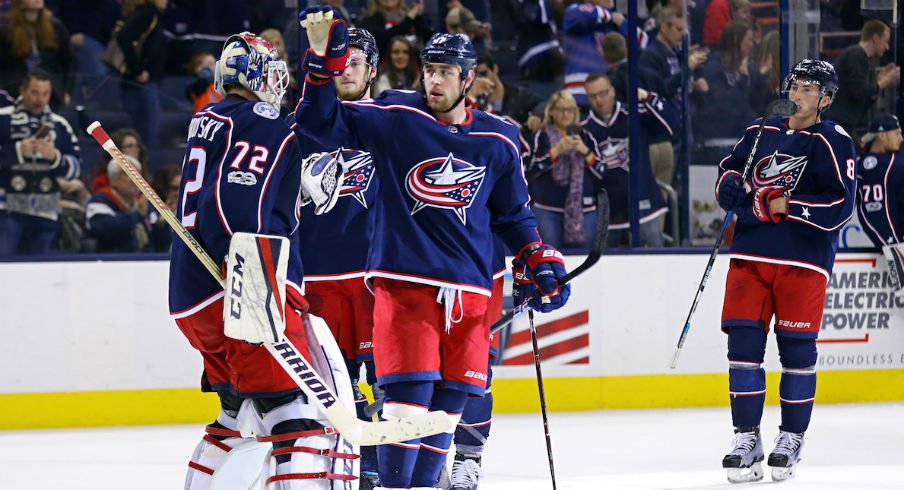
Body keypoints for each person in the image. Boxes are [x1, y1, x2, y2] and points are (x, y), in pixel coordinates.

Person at [295, 8, 572, 488]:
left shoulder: (499, 140)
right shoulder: (394, 116)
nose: (434, 80)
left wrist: (535, 256)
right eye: (428, 69)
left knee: (448, 409)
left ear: (468, 78)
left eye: (445, 71)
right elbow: (319, 123)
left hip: (469, 295)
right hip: (406, 287)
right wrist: (322, 63)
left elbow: (513, 216)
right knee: (407, 403)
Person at [172, 32, 354, 488]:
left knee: (233, 416)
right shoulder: (261, 118)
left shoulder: (209, 118)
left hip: (191, 293)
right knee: (292, 417)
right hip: (245, 286)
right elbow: (239, 204)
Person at [714, 59, 856, 483]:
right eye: (797, 85)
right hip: (750, 255)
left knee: (795, 351)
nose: (801, 93)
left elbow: (841, 207)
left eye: (811, 89)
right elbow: (729, 173)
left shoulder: (834, 139)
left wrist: (788, 206)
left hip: (802, 263)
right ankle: (746, 439)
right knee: (742, 350)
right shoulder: (761, 130)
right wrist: (739, 195)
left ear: (826, 99)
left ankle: (791, 437)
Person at [293, 26, 383, 490]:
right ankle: (349, 466)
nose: (346, 70)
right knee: (334, 388)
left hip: (376, 277)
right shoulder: (303, 123)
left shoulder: (394, 121)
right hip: (319, 277)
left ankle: (390, 464)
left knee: (391, 383)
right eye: (339, 62)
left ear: (372, 70)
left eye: (355, 62)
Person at [582, 73, 673, 247]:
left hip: (644, 205)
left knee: (655, 261)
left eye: (603, 93)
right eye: (593, 96)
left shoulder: (633, 114)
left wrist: (648, 97)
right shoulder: (585, 128)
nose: (599, 100)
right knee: (606, 269)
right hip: (608, 213)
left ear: (613, 91)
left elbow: (671, 125)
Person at [0, 69, 81, 256]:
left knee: (38, 275)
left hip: (45, 211)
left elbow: (75, 169)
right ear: (22, 90)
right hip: (6, 210)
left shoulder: (59, 124)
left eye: (46, 94)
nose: (40, 99)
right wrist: (18, 151)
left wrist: (54, 157)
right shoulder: (3, 118)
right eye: (35, 92)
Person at [527, 90, 600, 249]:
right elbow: (531, 169)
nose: (566, 114)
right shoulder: (542, 136)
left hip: (583, 210)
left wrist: (584, 150)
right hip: (548, 210)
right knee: (550, 256)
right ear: (551, 112)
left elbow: (602, 171)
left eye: (570, 109)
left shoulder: (586, 136)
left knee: (584, 258)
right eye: (561, 109)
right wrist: (556, 151)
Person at [824, 19, 900, 145]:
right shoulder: (857, 55)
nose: (887, 47)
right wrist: (884, 82)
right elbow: (859, 92)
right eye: (886, 41)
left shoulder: (861, 57)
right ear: (875, 38)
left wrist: (878, 82)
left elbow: (862, 97)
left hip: (844, 123)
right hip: (838, 123)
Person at [0, 0, 73, 108]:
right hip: (13, 89)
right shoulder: (4, 29)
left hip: (52, 91)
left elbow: (69, 62)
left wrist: (66, 91)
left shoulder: (55, 27)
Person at [116, 0, 167, 147]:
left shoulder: (150, 14)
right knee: (146, 134)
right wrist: (138, 70)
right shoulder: (147, 13)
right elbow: (123, 36)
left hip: (141, 83)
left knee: (142, 132)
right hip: (141, 85)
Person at [856, 112, 903, 249]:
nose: (901, 138)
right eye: (897, 134)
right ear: (882, 136)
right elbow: (873, 211)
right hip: (894, 243)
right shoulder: (873, 165)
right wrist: (894, 245)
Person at [85, 155, 148, 253]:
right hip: (108, 260)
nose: (134, 178)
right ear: (113, 180)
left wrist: (162, 226)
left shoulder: (144, 201)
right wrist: (137, 215)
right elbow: (106, 229)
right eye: (127, 173)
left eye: (137, 174)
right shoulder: (100, 200)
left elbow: (157, 238)